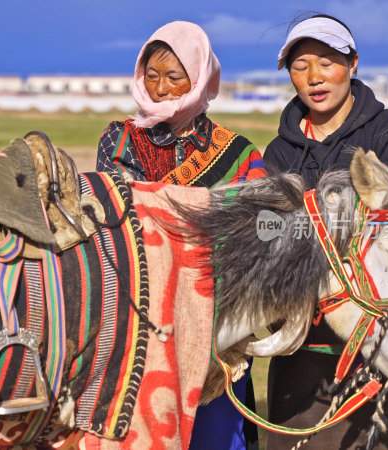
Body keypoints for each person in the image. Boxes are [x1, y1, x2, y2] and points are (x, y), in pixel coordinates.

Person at [95, 20, 265, 450]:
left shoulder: (237, 151)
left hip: (215, 321)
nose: (161, 88)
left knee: (216, 436)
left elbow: (261, 226)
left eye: (175, 77)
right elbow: (117, 217)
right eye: (151, 75)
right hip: (138, 312)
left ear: (201, 77)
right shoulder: (118, 140)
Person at [262, 14, 388, 449]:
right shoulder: (278, 151)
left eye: (328, 61)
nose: (314, 77)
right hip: (302, 343)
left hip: (379, 338)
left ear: (353, 64)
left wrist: (300, 224)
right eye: (300, 65)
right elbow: (266, 228)